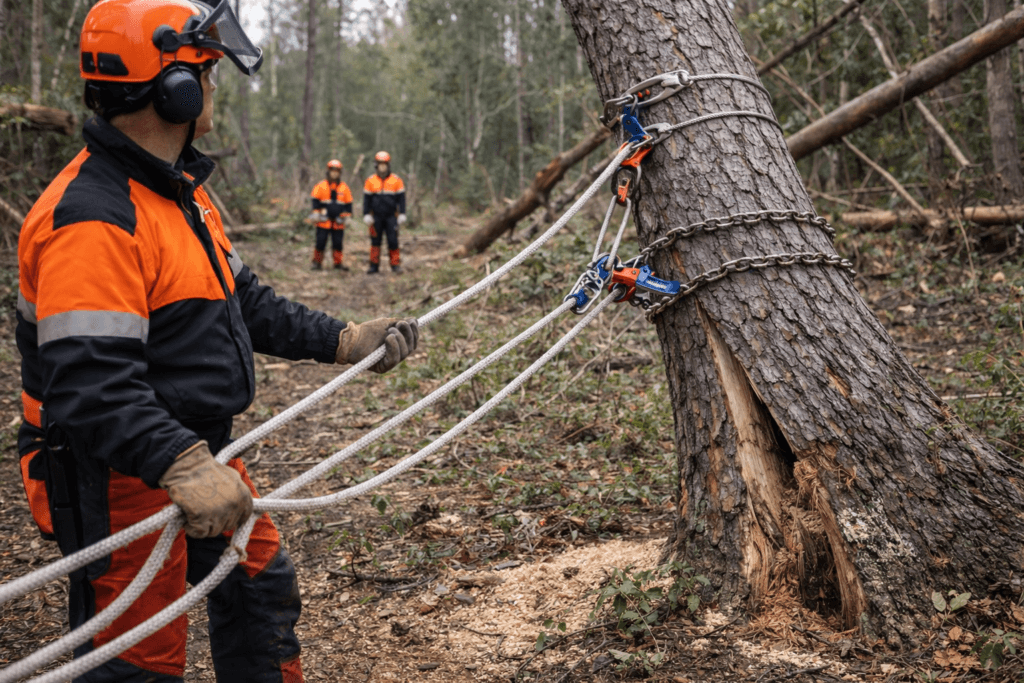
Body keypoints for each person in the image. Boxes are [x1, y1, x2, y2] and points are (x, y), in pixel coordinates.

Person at [15, 1, 418, 681]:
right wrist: (180, 464)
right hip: (118, 467)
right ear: (170, 89)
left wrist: (345, 339)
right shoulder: (92, 218)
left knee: (259, 589)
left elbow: (247, 302)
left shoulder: (178, 194)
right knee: (138, 656)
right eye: (206, 72)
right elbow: (89, 383)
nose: (214, 88)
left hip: (197, 449)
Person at [362, 150, 407, 274]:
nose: (382, 167)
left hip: (391, 216)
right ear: (376, 165)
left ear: (388, 165)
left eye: (384, 164)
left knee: (393, 240)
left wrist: (402, 213)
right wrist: (366, 214)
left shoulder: (396, 180)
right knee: (375, 241)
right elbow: (366, 200)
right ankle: (374, 266)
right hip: (375, 217)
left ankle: (395, 265)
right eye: (380, 164)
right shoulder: (370, 181)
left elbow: (401, 199)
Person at [308, 159, 353, 271]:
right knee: (320, 241)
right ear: (328, 171)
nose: (334, 173)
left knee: (338, 243)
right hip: (324, 221)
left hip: (338, 221)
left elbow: (348, 205)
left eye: (337, 171)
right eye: (332, 170)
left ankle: (338, 263)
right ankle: (317, 263)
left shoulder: (344, 187)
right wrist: (316, 213)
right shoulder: (320, 186)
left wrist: (347, 216)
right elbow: (315, 201)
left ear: (339, 173)